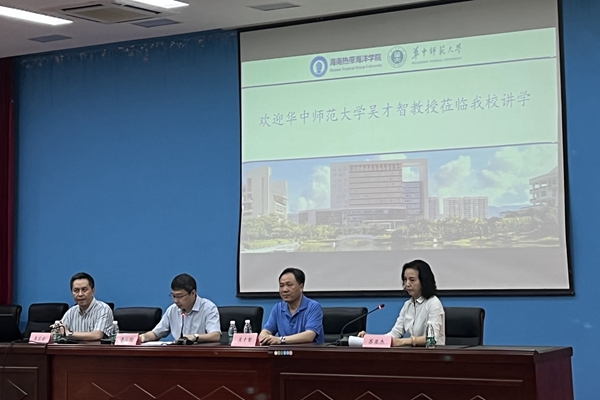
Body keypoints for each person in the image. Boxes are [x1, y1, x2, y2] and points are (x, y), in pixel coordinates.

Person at [358, 259, 445, 346]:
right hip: (414, 352)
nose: (407, 284)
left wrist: (403, 341)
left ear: (424, 281)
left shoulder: (433, 303)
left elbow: (432, 337)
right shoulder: (408, 305)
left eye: (412, 280)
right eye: (405, 280)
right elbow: (395, 334)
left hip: (433, 352)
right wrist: (371, 339)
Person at [141, 273, 220, 343]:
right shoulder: (172, 310)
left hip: (200, 352)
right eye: (173, 296)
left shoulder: (208, 308)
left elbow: (215, 335)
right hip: (178, 352)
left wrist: (195, 337)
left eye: (180, 296)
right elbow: (156, 334)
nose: (175, 300)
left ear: (193, 293)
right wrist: (143, 337)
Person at [259, 267, 324, 345]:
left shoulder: (313, 307)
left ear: (301, 287)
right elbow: (267, 330)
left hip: (309, 351)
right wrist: (264, 336)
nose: (285, 290)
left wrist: (281, 339)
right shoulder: (278, 308)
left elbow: (309, 335)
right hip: (284, 352)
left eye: (289, 285)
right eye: (281, 285)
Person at [59, 272, 113, 341]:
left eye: (84, 290)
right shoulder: (71, 312)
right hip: (75, 348)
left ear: (93, 291)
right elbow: (60, 331)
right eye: (76, 290)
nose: (80, 294)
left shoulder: (103, 309)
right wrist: (58, 330)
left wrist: (70, 334)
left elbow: (97, 335)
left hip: (97, 348)